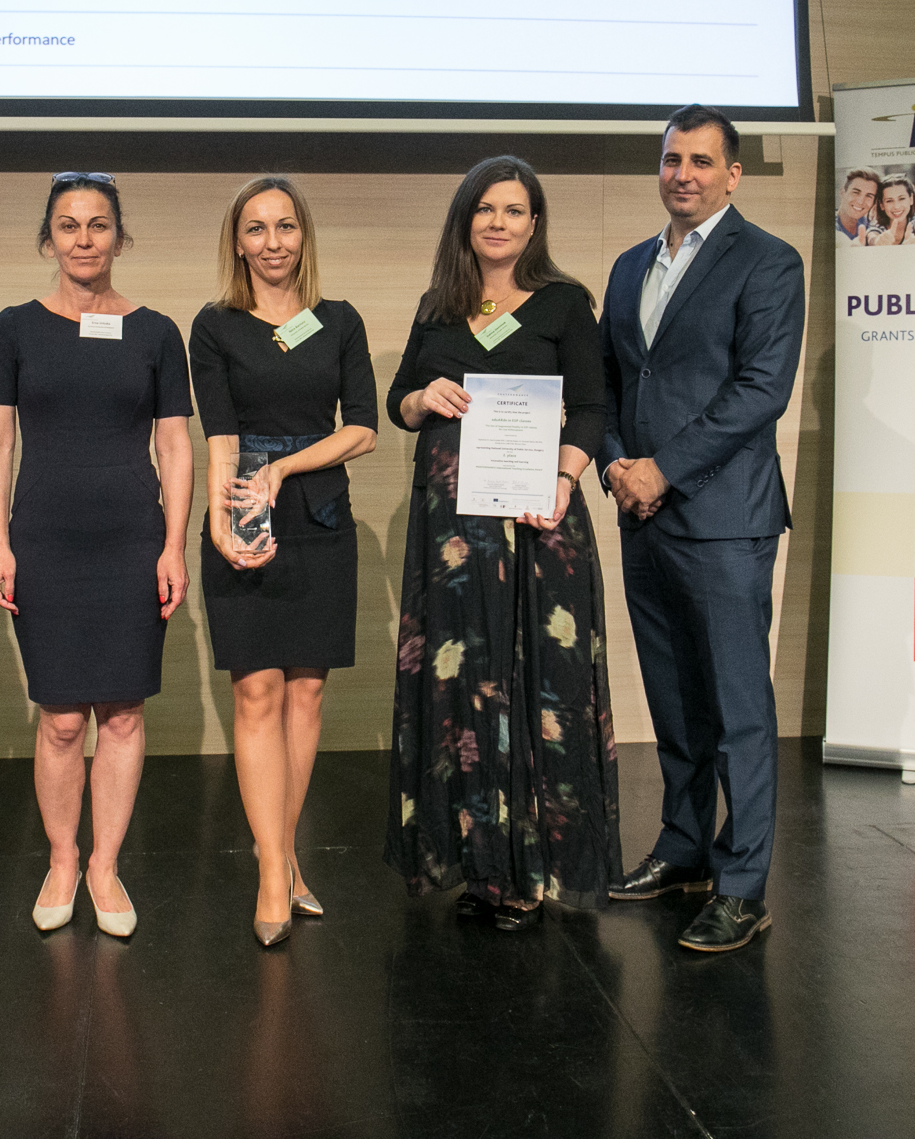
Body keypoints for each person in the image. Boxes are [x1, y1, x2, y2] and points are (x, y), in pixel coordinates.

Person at [383, 154, 622, 933]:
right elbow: (398, 402)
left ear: (534, 222)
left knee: (533, 689)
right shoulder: (439, 306)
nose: (498, 221)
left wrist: (564, 481)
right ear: (465, 218)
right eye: (485, 208)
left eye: (514, 209)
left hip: (536, 525)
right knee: (466, 690)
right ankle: (478, 863)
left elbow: (592, 407)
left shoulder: (564, 304)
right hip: (453, 537)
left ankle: (530, 870)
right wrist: (422, 396)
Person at [600, 104, 805, 954]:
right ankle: (684, 847)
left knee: (737, 707)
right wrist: (618, 463)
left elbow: (761, 390)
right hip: (642, 515)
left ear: (733, 174)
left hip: (723, 519)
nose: (682, 173)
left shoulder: (769, 261)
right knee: (674, 698)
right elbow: (610, 382)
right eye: (671, 159)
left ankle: (743, 884)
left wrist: (664, 469)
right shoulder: (629, 265)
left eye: (701, 160)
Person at [0, 173, 194, 940]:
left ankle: (105, 864)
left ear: (119, 237)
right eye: (68, 225)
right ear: (48, 239)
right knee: (64, 718)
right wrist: (0, 542)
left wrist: (174, 545)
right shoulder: (12, 329)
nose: (83, 238)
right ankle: (63, 859)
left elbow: (176, 444)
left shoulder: (157, 332)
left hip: (132, 539)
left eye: (98, 224)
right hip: (45, 540)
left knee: (124, 713)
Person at [190, 176, 378, 946]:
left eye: (286, 226)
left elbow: (363, 427)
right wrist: (219, 521)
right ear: (238, 242)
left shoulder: (339, 320)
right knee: (256, 691)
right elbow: (220, 437)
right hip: (246, 509)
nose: (273, 242)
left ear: (304, 236)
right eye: (257, 228)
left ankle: (286, 852)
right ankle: (273, 869)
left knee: (305, 695)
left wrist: (287, 468)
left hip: (320, 515)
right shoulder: (215, 325)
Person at [863, 173, 915, 245]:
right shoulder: (876, 225)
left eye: (902, 199)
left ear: (911, 199)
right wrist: (878, 242)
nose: (896, 206)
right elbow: (872, 239)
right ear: (882, 205)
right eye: (889, 201)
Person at [836, 167, 881, 248]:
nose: (860, 201)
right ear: (843, 193)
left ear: (873, 203)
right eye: (856, 192)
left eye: (869, 196)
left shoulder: (868, 224)